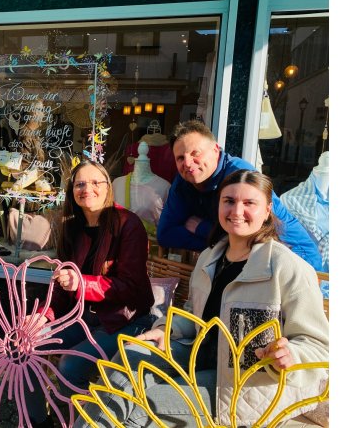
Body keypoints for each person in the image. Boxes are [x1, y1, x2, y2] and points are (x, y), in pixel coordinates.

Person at [77, 170, 329, 427]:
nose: (237, 210)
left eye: (249, 203)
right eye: (229, 201)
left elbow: (319, 345)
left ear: (267, 210)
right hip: (198, 355)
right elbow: (192, 313)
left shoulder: (287, 268)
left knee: (142, 408)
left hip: (244, 383)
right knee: (129, 359)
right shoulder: (210, 258)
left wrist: (291, 354)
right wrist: (168, 328)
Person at [27, 159, 156, 427]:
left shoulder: (128, 224)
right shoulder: (72, 225)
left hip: (126, 321)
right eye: (80, 183)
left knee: (70, 366)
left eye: (96, 182)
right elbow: (61, 287)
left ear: (108, 186)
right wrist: (43, 316)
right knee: (27, 348)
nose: (88, 188)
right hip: (82, 318)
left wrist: (82, 283)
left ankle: (73, 422)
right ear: (72, 191)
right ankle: (38, 421)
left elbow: (131, 288)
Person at [156, 120, 323, 271]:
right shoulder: (184, 181)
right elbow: (165, 234)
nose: (187, 163)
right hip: (253, 258)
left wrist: (201, 228)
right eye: (180, 158)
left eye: (195, 153)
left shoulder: (240, 176)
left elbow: (252, 238)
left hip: (296, 257)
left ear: (215, 150)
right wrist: (223, 242)